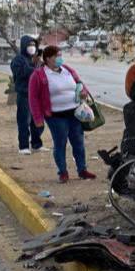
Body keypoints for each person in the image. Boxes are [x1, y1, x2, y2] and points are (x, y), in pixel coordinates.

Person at [29, 46, 97, 183]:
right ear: (48, 58)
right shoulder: (39, 75)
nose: (60, 58)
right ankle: (63, 172)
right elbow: (33, 98)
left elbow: (80, 83)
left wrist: (84, 91)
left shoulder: (67, 70)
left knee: (78, 142)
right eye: (57, 55)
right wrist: (38, 119)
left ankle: (82, 170)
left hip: (75, 114)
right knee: (60, 143)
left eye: (60, 55)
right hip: (55, 116)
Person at [10, 35, 44, 155]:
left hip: (37, 96)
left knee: (38, 122)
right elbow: (21, 73)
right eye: (29, 45)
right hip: (24, 95)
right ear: (24, 46)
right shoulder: (18, 60)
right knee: (24, 121)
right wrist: (35, 69)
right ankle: (23, 146)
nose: (32, 47)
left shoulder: (35, 59)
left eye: (33, 45)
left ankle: (36, 144)